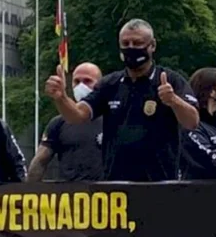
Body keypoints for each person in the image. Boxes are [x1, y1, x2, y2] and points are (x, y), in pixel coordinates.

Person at [44, 19, 199, 181]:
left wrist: (173, 100)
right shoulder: (110, 84)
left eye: (137, 43)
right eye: (126, 43)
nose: (131, 48)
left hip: (159, 184)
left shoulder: (170, 80)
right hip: (115, 187)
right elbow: (76, 116)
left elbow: (192, 122)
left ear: (152, 46)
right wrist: (61, 98)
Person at [28, 62, 104, 182]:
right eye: (77, 81)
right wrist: (30, 192)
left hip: (108, 195)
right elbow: (40, 161)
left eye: (87, 81)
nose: (81, 86)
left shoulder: (113, 118)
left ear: (100, 84)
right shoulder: (58, 123)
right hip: (70, 194)